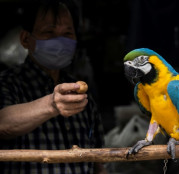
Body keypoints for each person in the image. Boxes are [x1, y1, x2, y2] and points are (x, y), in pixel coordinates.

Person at [0, 0, 106, 173]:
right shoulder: (7, 83)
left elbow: (98, 163)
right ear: (26, 39)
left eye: (67, 33)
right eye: (49, 32)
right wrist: (51, 104)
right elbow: (3, 123)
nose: (60, 41)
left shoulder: (83, 95)